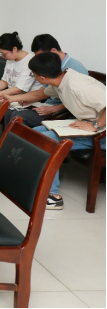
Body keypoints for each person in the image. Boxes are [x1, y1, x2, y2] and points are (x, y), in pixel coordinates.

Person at [28, 53, 105, 210]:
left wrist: (95, 125)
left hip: (101, 133)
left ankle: (53, 197)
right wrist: (8, 98)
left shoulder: (78, 85)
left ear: (42, 78)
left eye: (32, 74)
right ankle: (38, 180)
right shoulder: (62, 80)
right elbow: (40, 94)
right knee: (34, 133)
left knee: (48, 141)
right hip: (88, 126)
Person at [1, 34, 89, 128]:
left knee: (17, 116)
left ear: (53, 51)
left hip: (65, 111)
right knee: (8, 111)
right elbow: (44, 92)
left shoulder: (76, 69)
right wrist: (23, 99)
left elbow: (78, 101)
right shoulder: (50, 65)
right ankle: (7, 138)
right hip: (47, 104)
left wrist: (53, 109)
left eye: (41, 56)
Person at [0, 32, 42, 100]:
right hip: (11, 96)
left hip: (26, 99)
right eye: (1, 54)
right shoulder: (10, 59)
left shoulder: (31, 61)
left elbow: (19, 89)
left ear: (14, 49)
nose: (3, 56)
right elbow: (5, 81)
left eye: (4, 54)